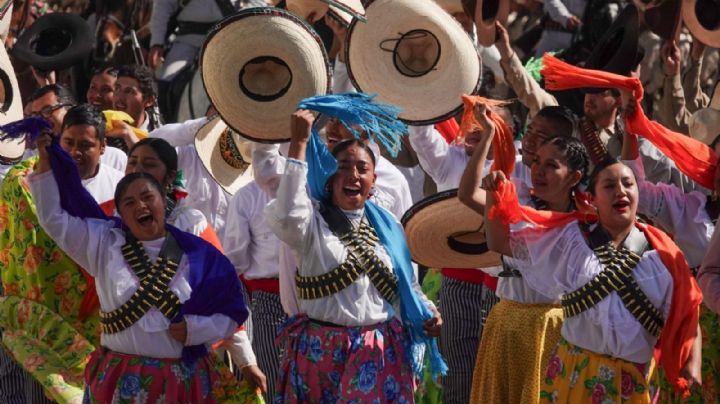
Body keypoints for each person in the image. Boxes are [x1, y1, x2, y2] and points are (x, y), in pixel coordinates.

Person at [29, 133, 250, 402]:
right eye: (129, 203)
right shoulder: (103, 242)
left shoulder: (197, 252)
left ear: (163, 196)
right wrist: (44, 160)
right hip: (119, 381)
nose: (141, 206)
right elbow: (53, 219)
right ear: (120, 211)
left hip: (180, 383)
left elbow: (231, 312)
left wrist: (195, 329)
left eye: (147, 197)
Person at [264, 95, 445, 401]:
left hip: (380, 351)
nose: (353, 175)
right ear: (331, 179)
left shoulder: (387, 225)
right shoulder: (311, 223)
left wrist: (428, 311)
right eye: (344, 167)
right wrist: (298, 146)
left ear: (373, 182)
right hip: (320, 353)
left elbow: (407, 284)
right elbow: (286, 215)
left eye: (363, 169)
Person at [483, 158, 702, 402]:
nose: (620, 191)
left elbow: (688, 315)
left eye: (628, 184)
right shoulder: (570, 241)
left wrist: (693, 364)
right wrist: (494, 195)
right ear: (592, 198)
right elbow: (499, 242)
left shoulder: (665, 256)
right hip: (574, 375)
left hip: (635, 383)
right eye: (609, 186)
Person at [459, 105, 590, 403]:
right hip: (505, 322)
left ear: (574, 177)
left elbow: (498, 241)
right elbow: (469, 196)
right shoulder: (520, 208)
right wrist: (490, 137)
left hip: (551, 328)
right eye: (538, 162)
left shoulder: (584, 227)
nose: (538, 171)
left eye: (551, 165)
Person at [0, 105, 125, 403]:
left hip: (104, 325)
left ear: (103, 147)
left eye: (86, 145)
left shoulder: (121, 189)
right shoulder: (27, 183)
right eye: (69, 142)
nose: (75, 152)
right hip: (43, 328)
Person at [114, 65, 162, 133]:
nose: (120, 97)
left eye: (129, 91)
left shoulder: (159, 136)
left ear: (149, 100)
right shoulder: (101, 130)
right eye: (117, 89)